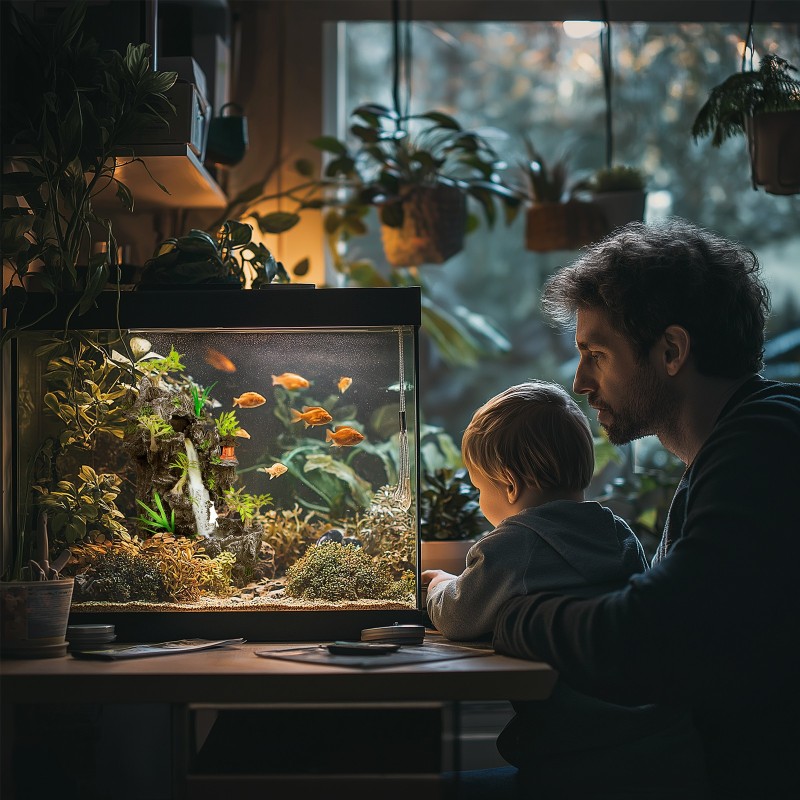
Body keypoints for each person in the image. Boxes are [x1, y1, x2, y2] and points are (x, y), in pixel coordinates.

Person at [492, 218, 800, 800]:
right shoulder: (734, 446)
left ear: (672, 350)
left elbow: (644, 640)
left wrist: (511, 614)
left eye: (596, 353)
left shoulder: (763, 445)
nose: (580, 381)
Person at [423, 380, 706, 798]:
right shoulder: (618, 533)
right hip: (651, 740)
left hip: (573, 753)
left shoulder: (513, 545)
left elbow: (460, 617)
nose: (481, 500)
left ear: (509, 484)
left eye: (481, 489)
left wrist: (438, 586)